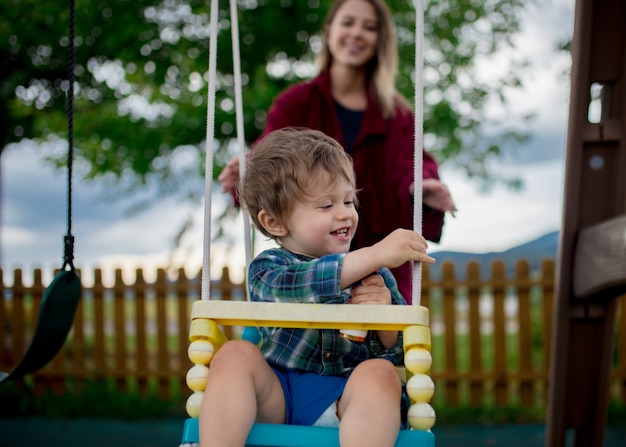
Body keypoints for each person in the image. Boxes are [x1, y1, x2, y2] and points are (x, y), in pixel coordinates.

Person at [199, 128, 435, 447]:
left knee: (381, 374)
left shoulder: (374, 277)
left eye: (349, 201)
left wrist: (386, 317)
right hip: (275, 399)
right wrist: (375, 252)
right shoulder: (268, 268)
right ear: (275, 223)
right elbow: (295, 288)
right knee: (234, 354)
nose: (345, 213)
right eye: (326, 205)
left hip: (344, 402)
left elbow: (400, 352)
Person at [219, 0, 455, 304]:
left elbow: (411, 165)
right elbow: (273, 163)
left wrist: (424, 186)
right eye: (348, 23)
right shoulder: (296, 104)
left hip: (379, 278)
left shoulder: (397, 115)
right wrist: (247, 173)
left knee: (383, 345)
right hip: (308, 270)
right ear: (329, 31)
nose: (357, 33)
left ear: (380, 40)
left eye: (369, 27)